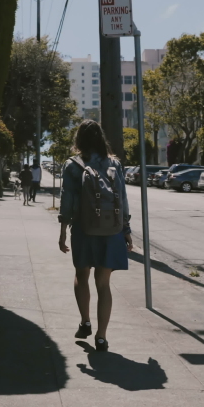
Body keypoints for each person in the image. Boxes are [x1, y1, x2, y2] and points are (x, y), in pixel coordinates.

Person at [57, 120, 134, 352]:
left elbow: (67, 200)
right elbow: (122, 198)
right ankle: (101, 337)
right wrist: (127, 230)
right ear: (101, 137)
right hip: (111, 230)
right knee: (104, 284)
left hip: (83, 228)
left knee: (82, 275)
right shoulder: (115, 164)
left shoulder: (72, 165)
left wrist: (62, 232)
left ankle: (85, 322)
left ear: (79, 139)